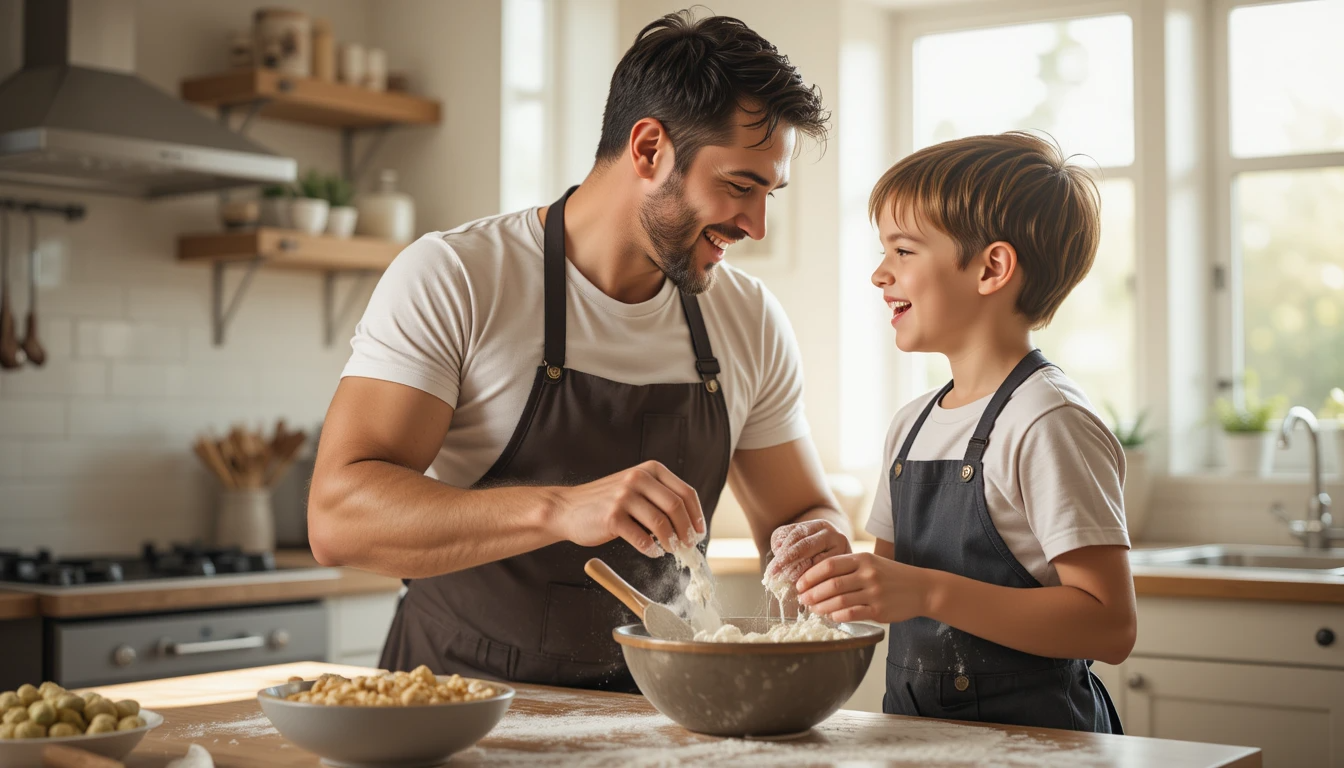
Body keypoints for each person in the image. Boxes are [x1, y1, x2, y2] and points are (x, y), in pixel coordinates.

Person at [307, 11, 851, 693]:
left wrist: (819, 543)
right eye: (741, 186)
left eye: (768, 193)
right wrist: (560, 509)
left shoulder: (746, 317)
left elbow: (802, 513)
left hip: (659, 716)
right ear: (649, 148)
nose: (756, 225)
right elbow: (337, 517)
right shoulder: (457, 277)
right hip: (454, 706)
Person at [795, 132, 1135, 732]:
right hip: (917, 737)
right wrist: (841, 572)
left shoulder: (1047, 420)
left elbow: (1109, 625)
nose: (879, 273)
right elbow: (893, 590)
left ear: (991, 268)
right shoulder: (911, 424)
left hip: (1039, 743)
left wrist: (929, 593)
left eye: (903, 250)